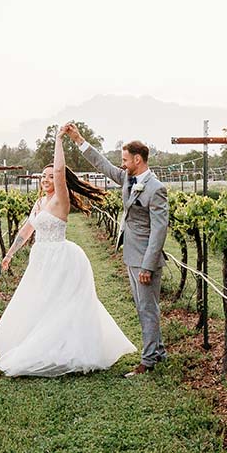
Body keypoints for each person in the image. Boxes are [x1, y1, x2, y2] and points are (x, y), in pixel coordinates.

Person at [0, 125, 136, 377]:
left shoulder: (61, 197)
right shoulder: (39, 202)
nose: (46, 179)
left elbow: (59, 170)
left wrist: (59, 140)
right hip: (40, 258)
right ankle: (44, 343)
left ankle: (65, 349)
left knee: (63, 303)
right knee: (42, 302)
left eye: (50, 176)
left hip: (60, 257)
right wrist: (10, 253)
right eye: (42, 176)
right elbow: (27, 230)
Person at [65, 123, 169, 378]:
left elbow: (159, 231)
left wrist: (147, 266)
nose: (121, 164)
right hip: (132, 255)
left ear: (137, 159)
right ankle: (159, 352)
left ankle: (148, 361)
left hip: (145, 259)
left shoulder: (156, 189)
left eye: (124, 160)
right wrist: (79, 140)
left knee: (146, 309)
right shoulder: (127, 178)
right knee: (146, 306)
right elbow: (102, 164)